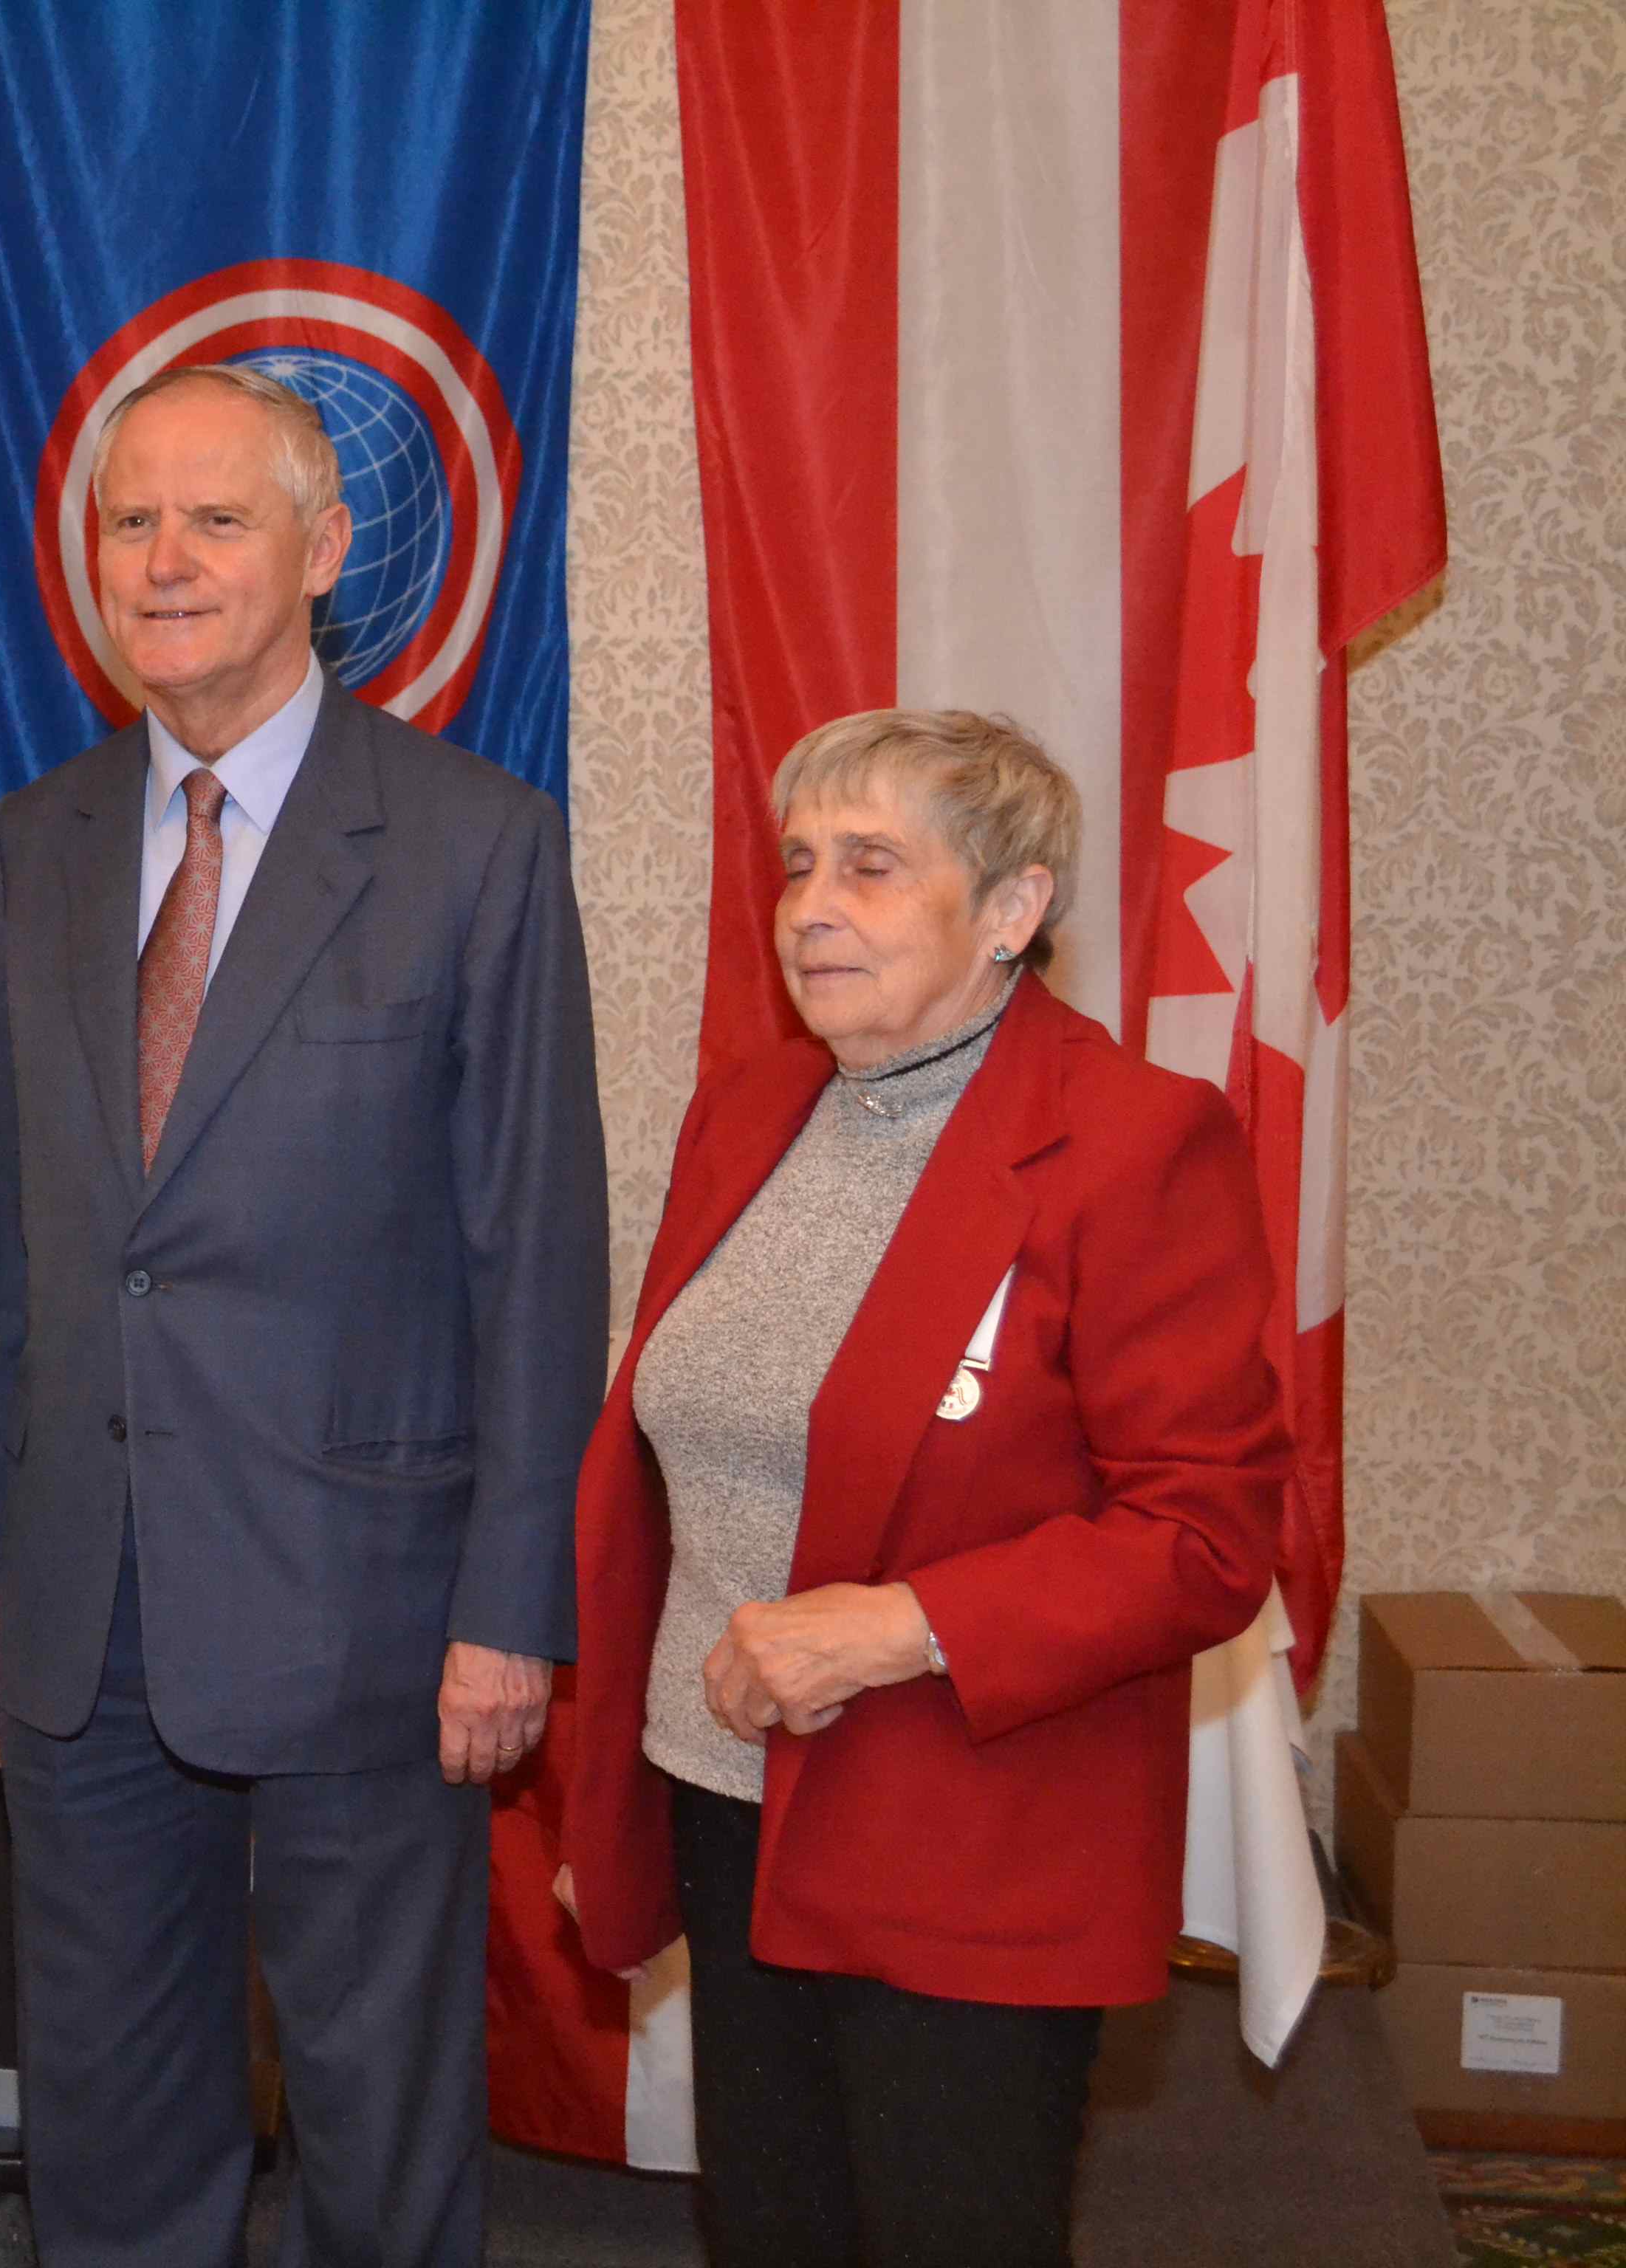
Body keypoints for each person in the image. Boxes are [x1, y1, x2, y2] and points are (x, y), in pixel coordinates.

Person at [0, 363, 610, 2267]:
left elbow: (534, 1253)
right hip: (84, 1612)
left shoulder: (474, 844)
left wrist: (510, 1606)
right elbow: (12, 1248)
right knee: (114, 2139)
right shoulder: (33, 848)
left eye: (216, 519)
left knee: (382, 2145)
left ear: (324, 547)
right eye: (131, 521)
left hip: (370, 1613)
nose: (165, 559)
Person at [558, 708, 1285, 2268]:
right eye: (802, 862)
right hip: (726, 1803)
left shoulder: (1133, 1145)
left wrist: (901, 1623)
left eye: (874, 867)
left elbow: (1206, 1535)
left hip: (964, 1820)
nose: (813, 903)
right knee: (771, 2229)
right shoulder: (752, 1111)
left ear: (1012, 912)